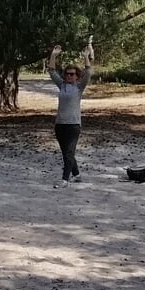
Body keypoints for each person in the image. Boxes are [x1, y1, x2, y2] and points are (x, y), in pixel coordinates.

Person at [44, 39, 95, 184]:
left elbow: (88, 72)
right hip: (60, 124)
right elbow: (52, 71)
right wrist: (54, 55)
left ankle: (65, 180)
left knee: (69, 152)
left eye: (72, 74)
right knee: (66, 153)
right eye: (67, 73)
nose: (69, 76)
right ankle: (77, 175)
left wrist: (86, 57)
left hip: (73, 125)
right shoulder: (62, 85)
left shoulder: (79, 87)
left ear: (77, 76)